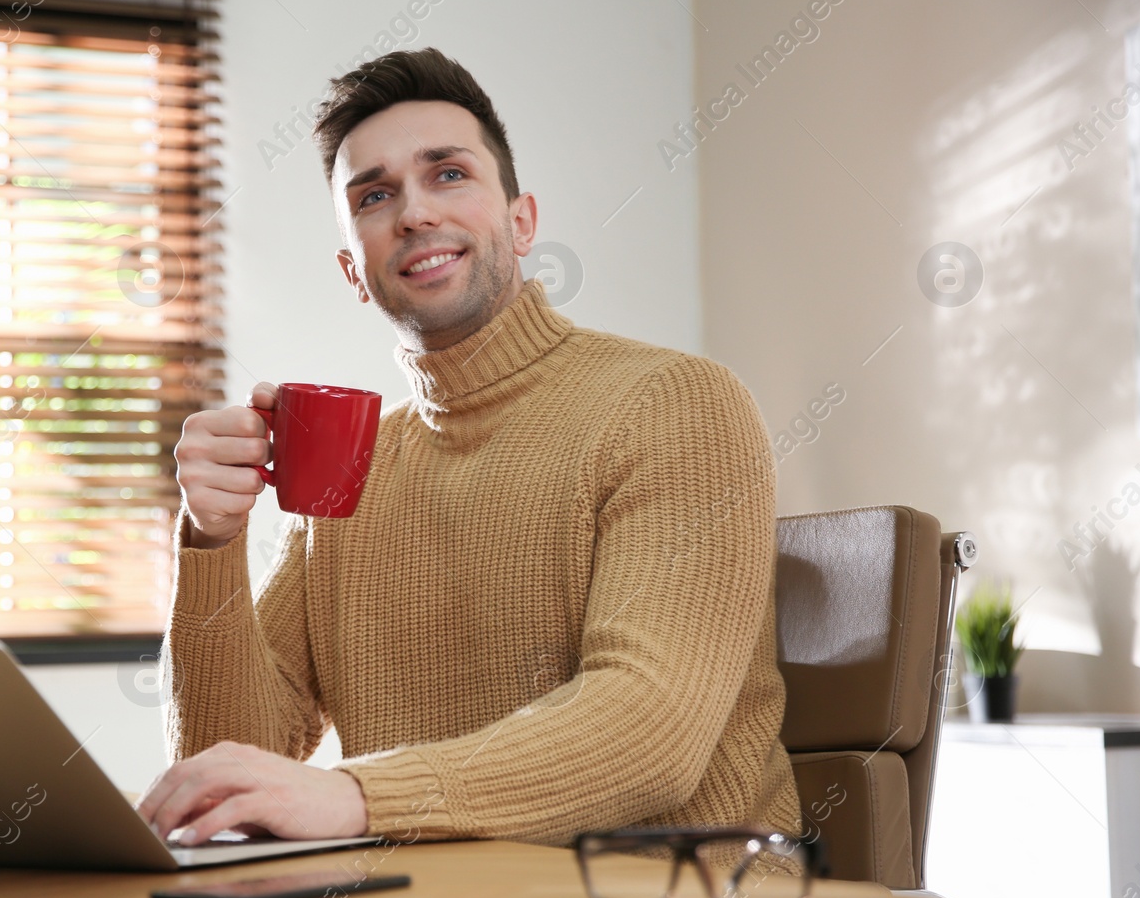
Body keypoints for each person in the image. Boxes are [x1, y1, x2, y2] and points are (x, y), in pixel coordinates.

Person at [136, 47, 800, 850]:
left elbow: (647, 729)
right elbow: (227, 768)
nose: (414, 212)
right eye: (375, 195)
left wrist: (356, 797)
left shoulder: (677, 405)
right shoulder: (354, 471)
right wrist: (211, 539)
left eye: (447, 173)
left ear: (522, 221)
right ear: (355, 271)